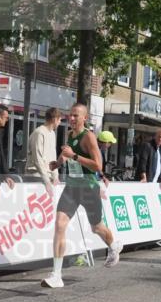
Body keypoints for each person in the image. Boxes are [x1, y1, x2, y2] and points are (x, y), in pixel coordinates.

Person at [41, 103, 120, 289]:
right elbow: (67, 154)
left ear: (85, 118)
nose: (72, 118)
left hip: (88, 188)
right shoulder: (69, 134)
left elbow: (98, 165)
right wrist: (57, 163)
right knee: (59, 225)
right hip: (72, 187)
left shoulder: (89, 137)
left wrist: (75, 156)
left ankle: (114, 244)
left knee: (96, 228)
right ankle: (56, 274)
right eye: (70, 115)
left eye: (76, 116)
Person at [26, 107, 61, 194]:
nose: (60, 122)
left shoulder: (52, 134)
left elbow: (53, 157)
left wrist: (55, 176)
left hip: (46, 177)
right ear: (55, 119)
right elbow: (37, 158)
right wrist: (46, 180)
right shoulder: (39, 133)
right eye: (59, 120)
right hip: (35, 176)